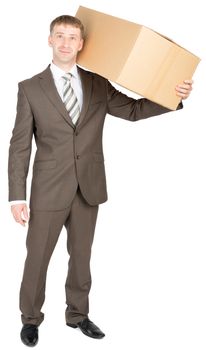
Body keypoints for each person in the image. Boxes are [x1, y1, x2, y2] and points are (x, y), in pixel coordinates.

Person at [8, 15, 193, 346]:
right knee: (37, 258)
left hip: (88, 186)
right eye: (59, 36)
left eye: (72, 37)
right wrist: (16, 197)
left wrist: (172, 95)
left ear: (82, 44)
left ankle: (78, 315)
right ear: (49, 40)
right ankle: (31, 319)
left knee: (81, 257)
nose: (66, 43)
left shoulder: (97, 83)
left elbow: (134, 110)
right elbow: (19, 146)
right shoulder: (30, 88)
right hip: (47, 190)